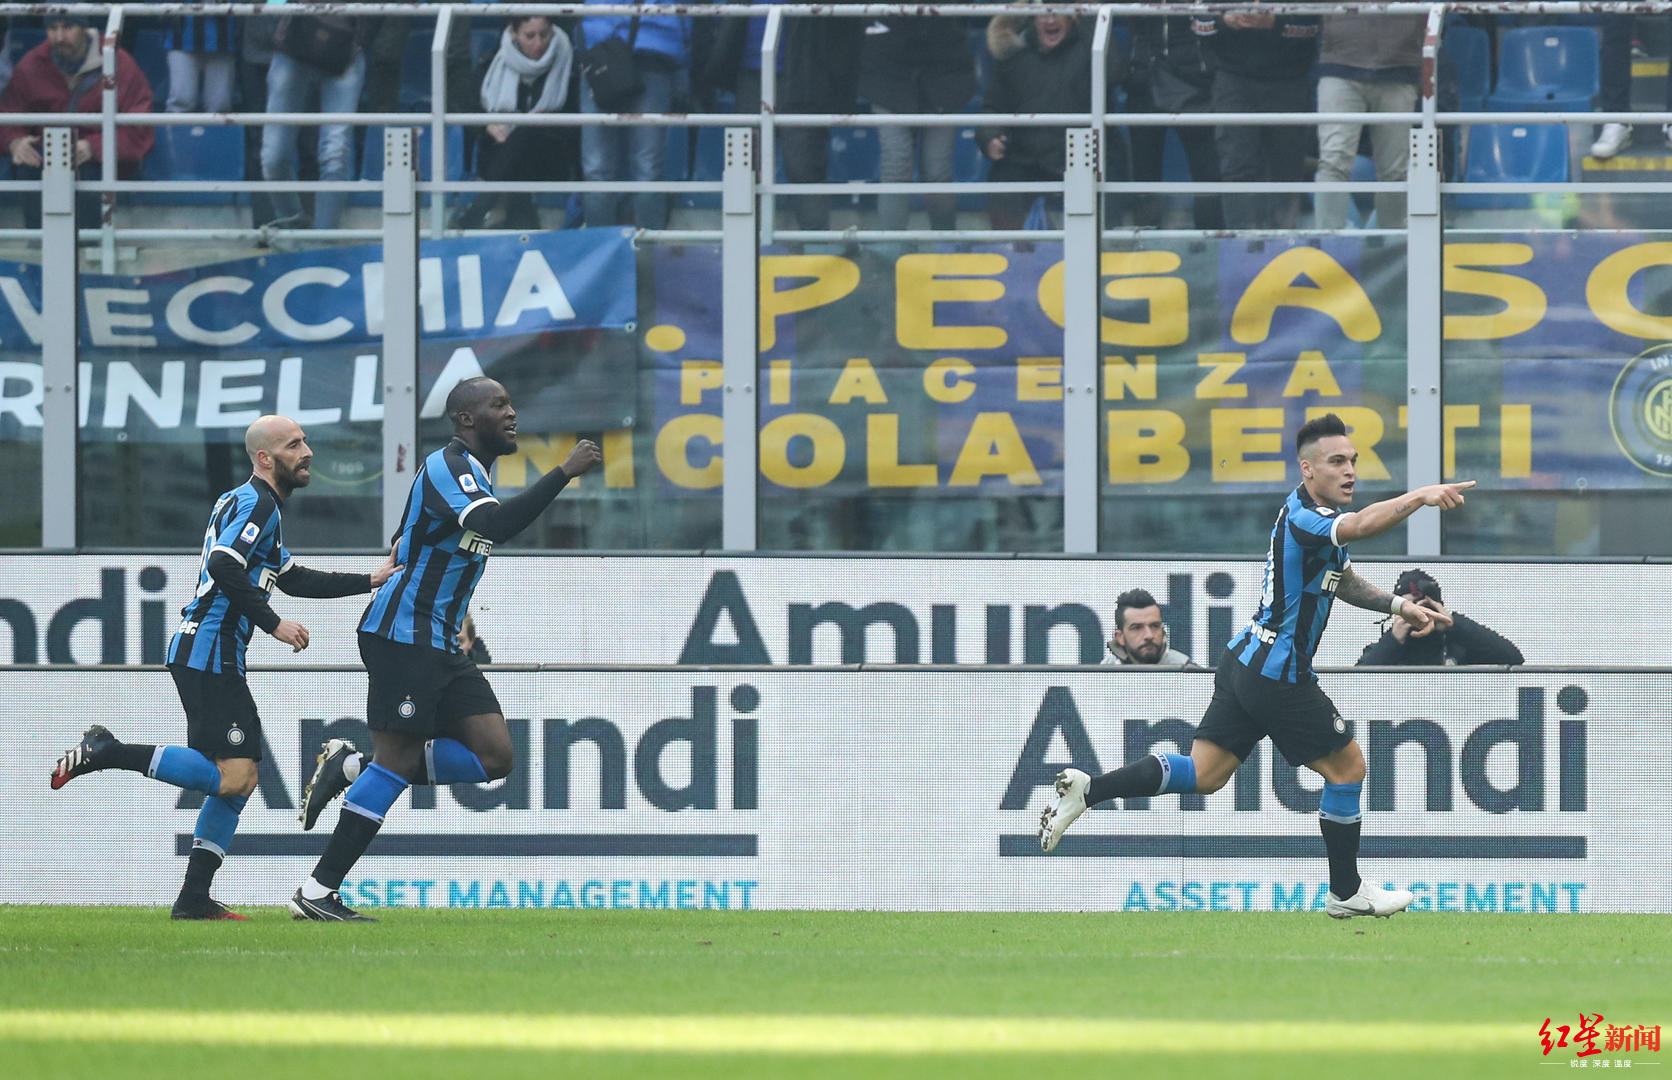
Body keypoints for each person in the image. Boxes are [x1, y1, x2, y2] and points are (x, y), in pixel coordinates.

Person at [1039, 413, 1476, 919]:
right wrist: (1420, 496)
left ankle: (1090, 790)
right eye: (1337, 461)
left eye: (1353, 461)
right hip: (1277, 674)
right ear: (1308, 469)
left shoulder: (1316, 519)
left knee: (1205, 774)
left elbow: (1343, 580)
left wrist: (1398, 606)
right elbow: (1360, 526)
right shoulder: (1307, 518)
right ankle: (1346, 892)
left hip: (1245, 660)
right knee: (1349, 768)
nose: (1350, 471)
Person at [48, 416, 399, 920]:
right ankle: (108, 750)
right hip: (210, 652)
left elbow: (292, 576)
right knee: (236, 776)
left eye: (305, 441)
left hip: (205, 651)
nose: (307, 451)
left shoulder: (252, 503)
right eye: (293, 445)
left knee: (238, 780)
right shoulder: (258, 503)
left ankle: (193, 898)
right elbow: (222, 564)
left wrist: (369, 579)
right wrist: (273, 623)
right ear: (265, 458)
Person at [289, 377, 600, 921]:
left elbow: (414, 538)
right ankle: (316, 892)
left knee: (494, 756)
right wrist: (563, 472)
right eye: (499, 405)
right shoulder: (448, 465)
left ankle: (353, 765)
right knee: (399, 760)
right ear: (466, 419)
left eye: (511, 402)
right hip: (403, 635)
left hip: (439, 639)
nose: (512, 413)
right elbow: (494, 525)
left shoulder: (472, 473)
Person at [0, 13, 155, 231]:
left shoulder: (120, 64)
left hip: (98, 161)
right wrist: (15, 143)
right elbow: (7, 116)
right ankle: (38, 243)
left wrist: (94, 147)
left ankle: (90, 243)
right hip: (46, 155)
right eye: (52, 29)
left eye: (68, 27)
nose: (59, 37)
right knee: (28, 164)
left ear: (84, 28)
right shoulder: (31, 64)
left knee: (90, 170)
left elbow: (140, 129)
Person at [1192, 2, 1318, 228]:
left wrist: (1276, 23)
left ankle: (1283, 241)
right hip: (1233, 80)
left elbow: (1314, 26)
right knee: (1236, 165)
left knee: (1287, 168)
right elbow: (1198, 24)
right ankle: (1241, 242)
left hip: (1289, 81)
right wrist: (1225, 21)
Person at [451, 15, 574, 231]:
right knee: (518, 144)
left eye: (544, 34)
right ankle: (522, 219)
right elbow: (468, 107)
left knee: (526, 131)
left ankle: (477, 211)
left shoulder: (567, 60)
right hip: (500, 150)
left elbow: (575, 119)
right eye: (530, 36)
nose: (538, 43)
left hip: (550, 154)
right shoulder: (493, 61)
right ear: (514, 33)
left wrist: (547, 121)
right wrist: (488, 125)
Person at [576, 0, 689, 230]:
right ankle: (607, 249)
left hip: (645, 50)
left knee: (632, 168)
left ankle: (644, 250)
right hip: (616, 48)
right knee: (614, 168)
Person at [260, 9, 377, 230]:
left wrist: (361, 36)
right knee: (273, 157)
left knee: (335, 155)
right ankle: (293, 231)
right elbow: (271, 3)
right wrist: (277, 15)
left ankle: (324, 243)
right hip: (292, 46)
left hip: (346, 50)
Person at [858, 15, 977, 232]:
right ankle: (892, 247)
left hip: (945, 72)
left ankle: (944, 243)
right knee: (897, 164)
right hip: (886, 73)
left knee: (937, 171)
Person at [1313, 12, 1425, 229]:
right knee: (1333, 161)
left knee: (1395, 170)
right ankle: (1328, 243)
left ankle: (1394, 244)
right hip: (1340, 64)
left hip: (1398, 66)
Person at [1356, 567, 1523, 666]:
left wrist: (1454, 624)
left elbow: (1512, 658)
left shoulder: (1458, 649)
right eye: (1408, 609)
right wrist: (1393, 640)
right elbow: (1357, 685)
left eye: (1424, 607)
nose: (1418, 615)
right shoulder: (1383, 651)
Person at [1105, 587, 1194, 666]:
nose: (1149, 635)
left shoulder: (1185, 670)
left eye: (1155, 626)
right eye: (1137, 628)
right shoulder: (1105, 673)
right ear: (1120, 637)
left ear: (1163, 631)